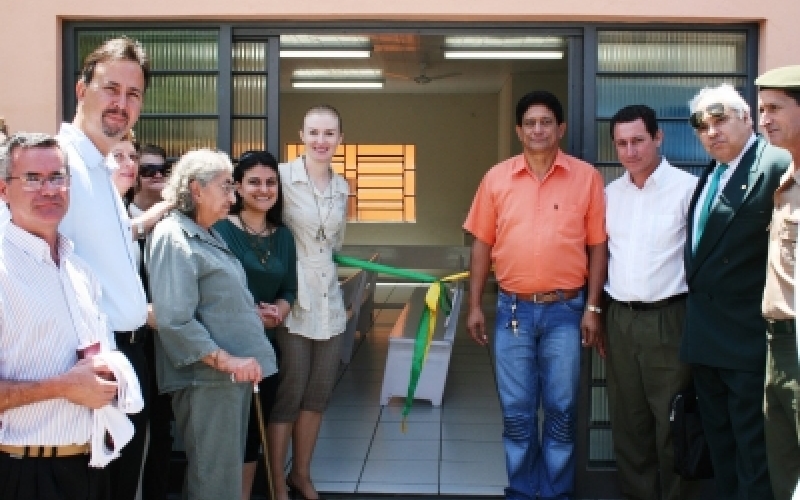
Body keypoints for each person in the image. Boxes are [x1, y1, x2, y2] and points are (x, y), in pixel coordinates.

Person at [464, 90, 607, 500]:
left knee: (561, 411)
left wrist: (593, 308)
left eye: (546, 122)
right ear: (518, 131)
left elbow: (598, 245)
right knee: (517, 413)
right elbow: (481, 244)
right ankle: (524, 492)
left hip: (566, 310)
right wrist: (475, 304)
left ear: (560, 128)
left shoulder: (587, 177)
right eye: (530, 123)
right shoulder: (496, 178)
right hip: (512, 311)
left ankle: (556, 492)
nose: (538, 130)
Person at [146, 148, 277, 500]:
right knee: (214, 483)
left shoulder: (207, 232)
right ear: (197, 189)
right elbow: (174, 319)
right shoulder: (175, 238)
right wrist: (227, 360)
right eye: (226, 188)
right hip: (208, 378)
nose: (233, 199)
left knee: (223, 479)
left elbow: (215, 298)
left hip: (227, 380)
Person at [681, 83, 792, 500]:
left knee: (754, 456)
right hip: (707, 341)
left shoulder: (775, 165)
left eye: (721, 118)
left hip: (749, 342)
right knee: (721, 452)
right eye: (702, 125)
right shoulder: (710, 173)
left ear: (747, 119)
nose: (712, 131)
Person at [56, 37, 152, 500]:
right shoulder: (59, 166)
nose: (121, 103)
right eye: (111, 88)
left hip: (128, 359)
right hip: (90, 367)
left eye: (133, 94)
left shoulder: (101, 171)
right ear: (81, 90)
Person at [0, 132, 119, 500]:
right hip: (24, 473)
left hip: (90, 467)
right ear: (4, 190)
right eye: (32, 179)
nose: (48, 189)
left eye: (57, 178)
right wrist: (63, 387)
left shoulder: (80, 271)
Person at [604, 104, 701, 500]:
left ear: (658, 137)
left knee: (672, 422)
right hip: (620, 320)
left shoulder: (688, 190)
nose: (631, 151)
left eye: (638, 140)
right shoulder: (610, 194)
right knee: (630, 424)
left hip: (670, 318)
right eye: (622, 143)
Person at [272, 104, 350, 500]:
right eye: (314, 132)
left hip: (330, 302)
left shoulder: (342, 187)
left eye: (329, 133)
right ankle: (275, 482)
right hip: (291, 298)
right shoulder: (281, 178)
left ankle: (300, 475)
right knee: (290, 390)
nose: (322, 141)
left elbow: (336, 244)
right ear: (301, 135)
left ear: (340, 138)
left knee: (318, 393)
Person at [213, 150, 297, 500]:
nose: (264, 190)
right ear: (238, 186)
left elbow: (289, 288)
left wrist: (279, 309)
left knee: (252, 435)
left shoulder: (284, 236)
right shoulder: (219, 230)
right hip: (224, 350)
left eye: (271, 182)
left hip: (264, 348)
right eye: (254, 182)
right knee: (224, 436)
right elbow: (213, 290)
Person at [755, 65, 800, 500]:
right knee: (783, 466)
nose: (764, 119)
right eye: (762, 108)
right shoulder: (785, 181)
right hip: (777, 341)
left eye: (775, 108)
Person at [129, 142, 174, 500]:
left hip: (170, 341)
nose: (157, 175)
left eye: (163, 169)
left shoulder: (176, 224)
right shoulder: (118, 218)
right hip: (131, 340)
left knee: (163, 429)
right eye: (148, 170)